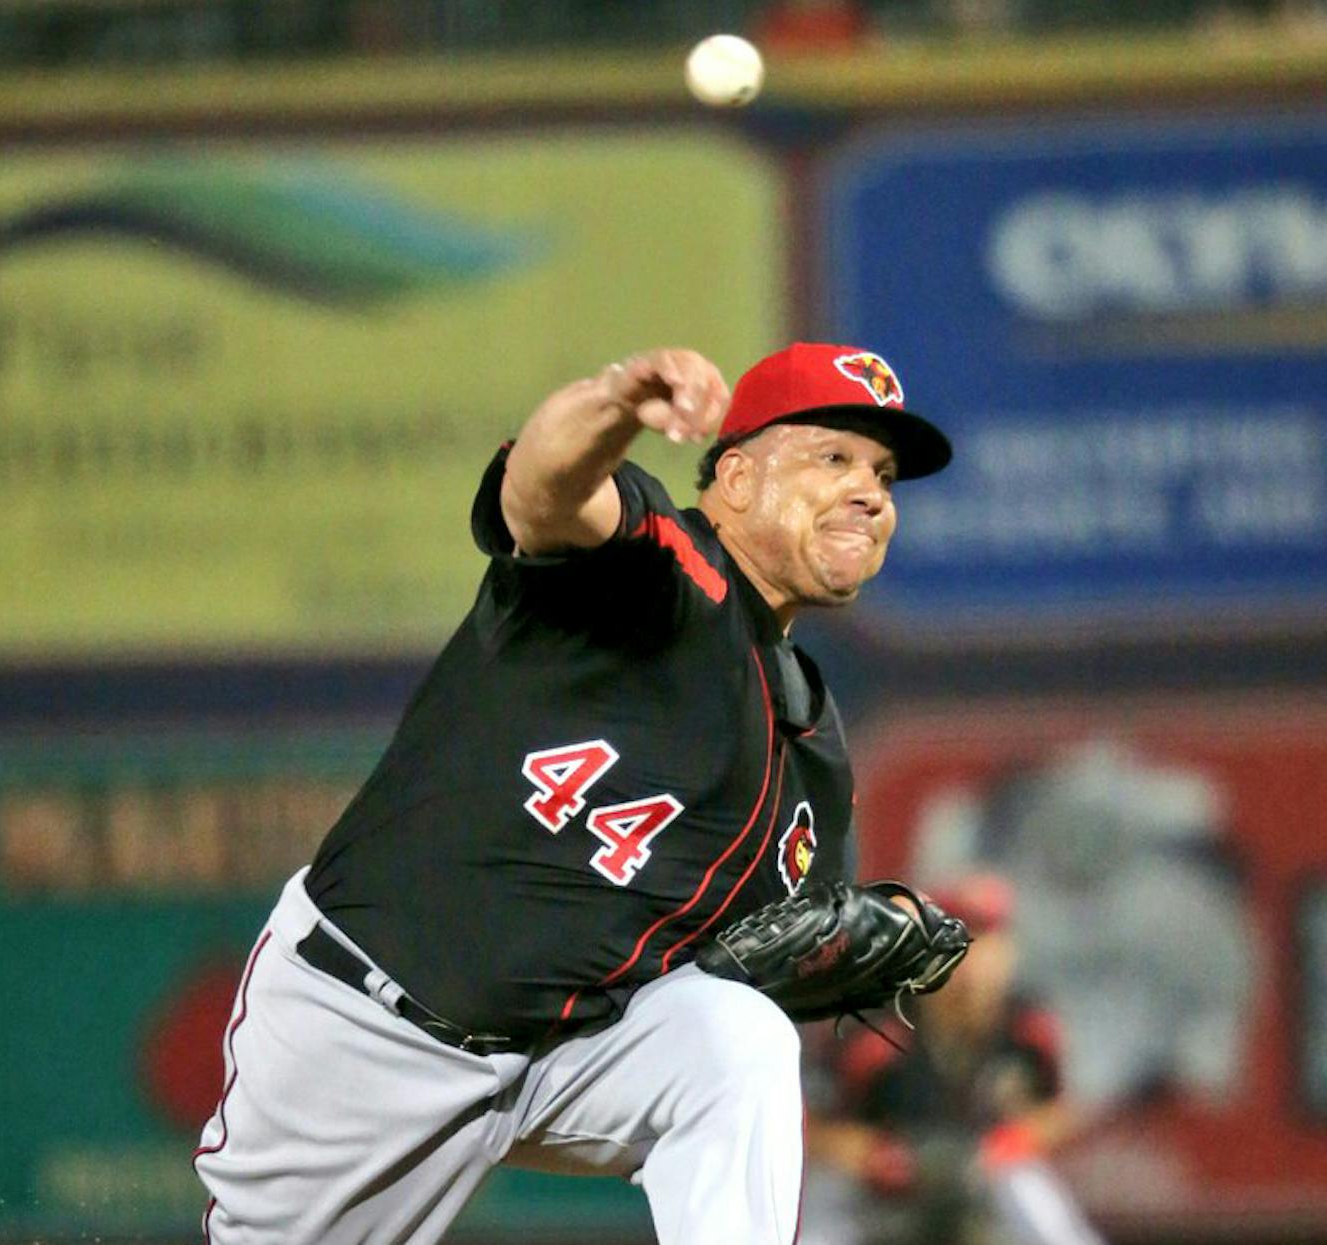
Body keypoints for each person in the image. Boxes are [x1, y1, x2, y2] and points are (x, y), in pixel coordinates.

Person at [193, 342, 955, 1244]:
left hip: (561, 1058)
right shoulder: (651, 568)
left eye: (884, 474)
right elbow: (541, 485)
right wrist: (613, 399)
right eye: (834, 457)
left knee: (739, 1036)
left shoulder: (813, 750)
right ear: (739, 478)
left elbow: (773, 960)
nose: (871, 493)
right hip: (366, 1026)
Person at [801, 875, 1103, 1245]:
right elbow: (811, 1127)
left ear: (1009, 951)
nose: (974, 960)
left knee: (1031, 1192)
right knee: (821, 1213)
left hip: (981, 1175)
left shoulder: (1028, 1027)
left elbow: (1059, 1109)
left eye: (987, 941)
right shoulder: (875, 1027)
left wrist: (1009, 1143)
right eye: (959, 942)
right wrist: (873, 1157)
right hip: (882, 1183)